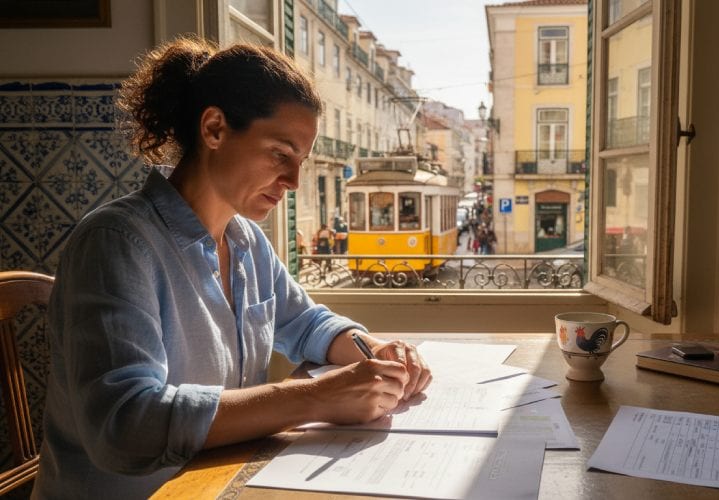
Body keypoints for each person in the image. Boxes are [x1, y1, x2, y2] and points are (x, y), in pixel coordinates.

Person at [33, 37, 431, 499]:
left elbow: (305, 323)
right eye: (281, 154)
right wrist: (318, 398)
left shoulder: (245, 241)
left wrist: (376, 350)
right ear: (215, 129)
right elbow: (125, 425)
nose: (294, 181)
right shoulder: (116, 244)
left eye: (300, 161)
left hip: (218, 485)